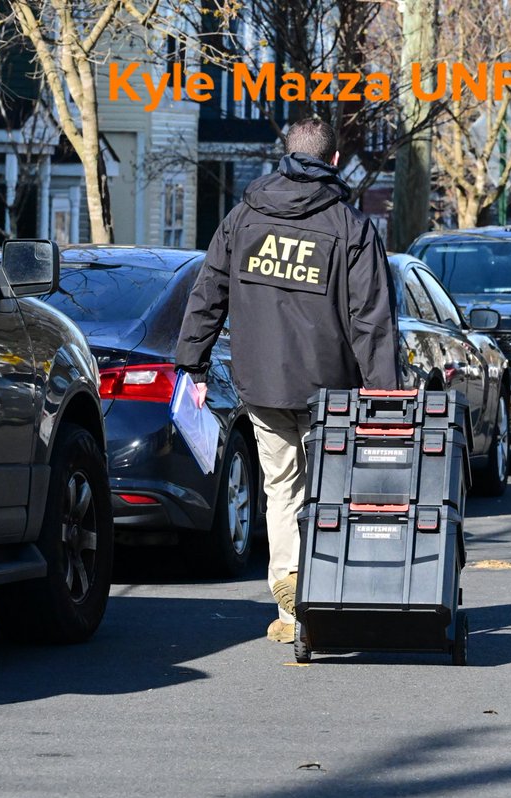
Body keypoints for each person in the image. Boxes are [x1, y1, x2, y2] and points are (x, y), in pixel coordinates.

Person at [175, 117, 400, 644]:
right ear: (335, 161)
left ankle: (290, 602)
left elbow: (208, 293)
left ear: (285, 153)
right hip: (333, 393)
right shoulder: (349, 227)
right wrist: (385, 396)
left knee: (281, 489)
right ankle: (334, 597)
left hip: (262, 385)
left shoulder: (243, 217)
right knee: (334, 495)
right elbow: (371, 318)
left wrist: (192, 365)